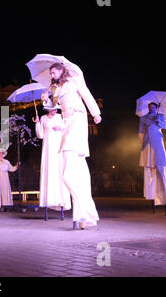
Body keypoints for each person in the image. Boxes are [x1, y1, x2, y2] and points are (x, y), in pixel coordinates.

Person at [43, 62, 101, 230]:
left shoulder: (75, 80)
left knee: (68, 172)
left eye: (53, 72)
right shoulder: (56, 89)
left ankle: (83, 210)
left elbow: (87, 94)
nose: (52, 75)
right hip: (66, 122)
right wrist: (46, 96)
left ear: (61, 70)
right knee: (76, 172)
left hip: (78, 120)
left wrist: (95, 113)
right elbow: (52, 107)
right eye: (51, 73)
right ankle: (85, 214)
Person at [34, 105, 71, 213]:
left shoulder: (60, 117)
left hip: (58, 146)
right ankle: (48, 199)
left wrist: (60, 128)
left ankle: (61, 200)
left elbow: (67, 128)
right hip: (48, 147)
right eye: (52, 109)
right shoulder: (43, 118)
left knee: (59, 170)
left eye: (56, 109)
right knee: (48, 170)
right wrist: (37, 123)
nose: (55, 111)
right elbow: (40, 135)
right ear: (48, 109)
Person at [139, 102, 166, 209]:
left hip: (157, 141)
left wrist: (158, 120)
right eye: (150, 107)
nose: (152, 108)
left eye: (154, 107)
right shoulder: (144, 117)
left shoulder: (160, 116)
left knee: (160, 165)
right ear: (148, 108)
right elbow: (141, 131)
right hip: (148, 142)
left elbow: (165, 126)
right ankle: (150, 195)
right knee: (149, 167)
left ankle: (163, 198)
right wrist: (142, 142)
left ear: (156, 108)